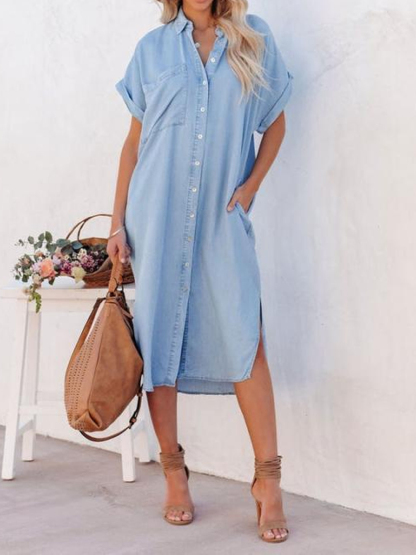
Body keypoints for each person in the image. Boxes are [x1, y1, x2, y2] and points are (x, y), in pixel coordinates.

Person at [108, 0, 293, 543]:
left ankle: (268, 481)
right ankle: (173, 473)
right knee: (159, 346)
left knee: (246, 340)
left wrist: (250, 188)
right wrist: (117, 222)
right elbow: (134, 143)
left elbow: (275, 124)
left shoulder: (254, 39)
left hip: (221, 219)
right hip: (156, 217)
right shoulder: (152, 49)